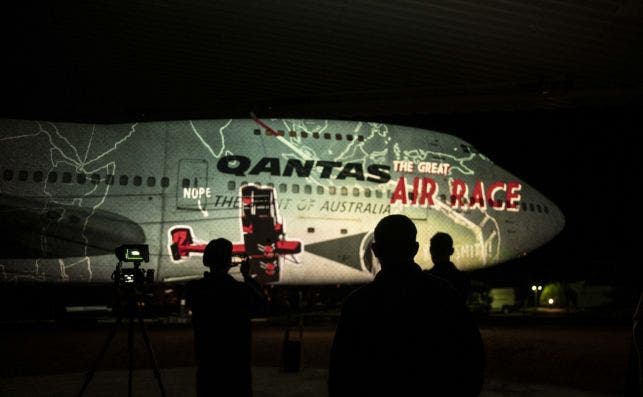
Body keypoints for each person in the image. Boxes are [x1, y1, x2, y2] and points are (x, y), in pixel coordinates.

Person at [328, 215, 484, 396]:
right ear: (415, 249)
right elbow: (472, 357)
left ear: (375, 250)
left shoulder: (357, 304)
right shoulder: (444, 294)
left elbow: (341, 373)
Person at [185, 238, 267, 397]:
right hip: (236, 365)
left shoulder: (194, 288)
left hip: (207, 363)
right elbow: (262, 305)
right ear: (229, 262)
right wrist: (247, 276)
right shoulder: (239, 290)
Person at [428, 232, 471, 300]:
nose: (437, 252)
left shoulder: (426, 278)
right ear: (451, 251)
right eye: (436, 248)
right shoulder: (461, 279)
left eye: (441, 249)